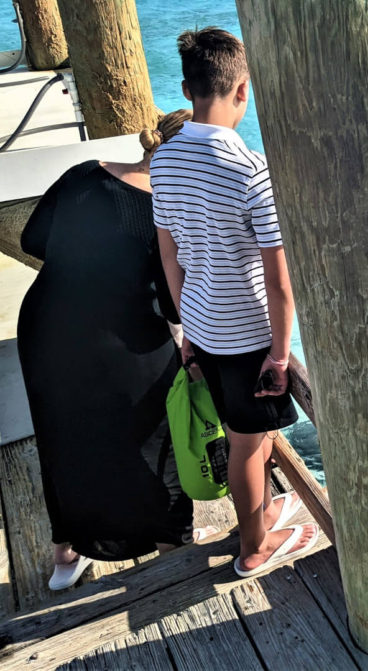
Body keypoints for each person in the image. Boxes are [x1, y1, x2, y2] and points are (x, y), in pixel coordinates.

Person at [17, 110, 217, 591]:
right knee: (158, 434)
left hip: (45, 326)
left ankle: (67, 551)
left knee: (63, 433)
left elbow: (32, 239)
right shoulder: (167, 209)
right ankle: (172, 541)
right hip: (123, 335)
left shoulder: (84, 171)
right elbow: (172, 303)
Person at [152, 27, 318, 578]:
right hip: (247, 333)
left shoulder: (165, 162)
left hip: (202, 322)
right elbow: (279, 281)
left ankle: (262, 513)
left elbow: (170, 256)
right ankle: (254, 548)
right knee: (249, 443)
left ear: (186, 88)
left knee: (245, 433)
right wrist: (280, 351)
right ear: (243, 89)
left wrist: (191, 327)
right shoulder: (251, 170)